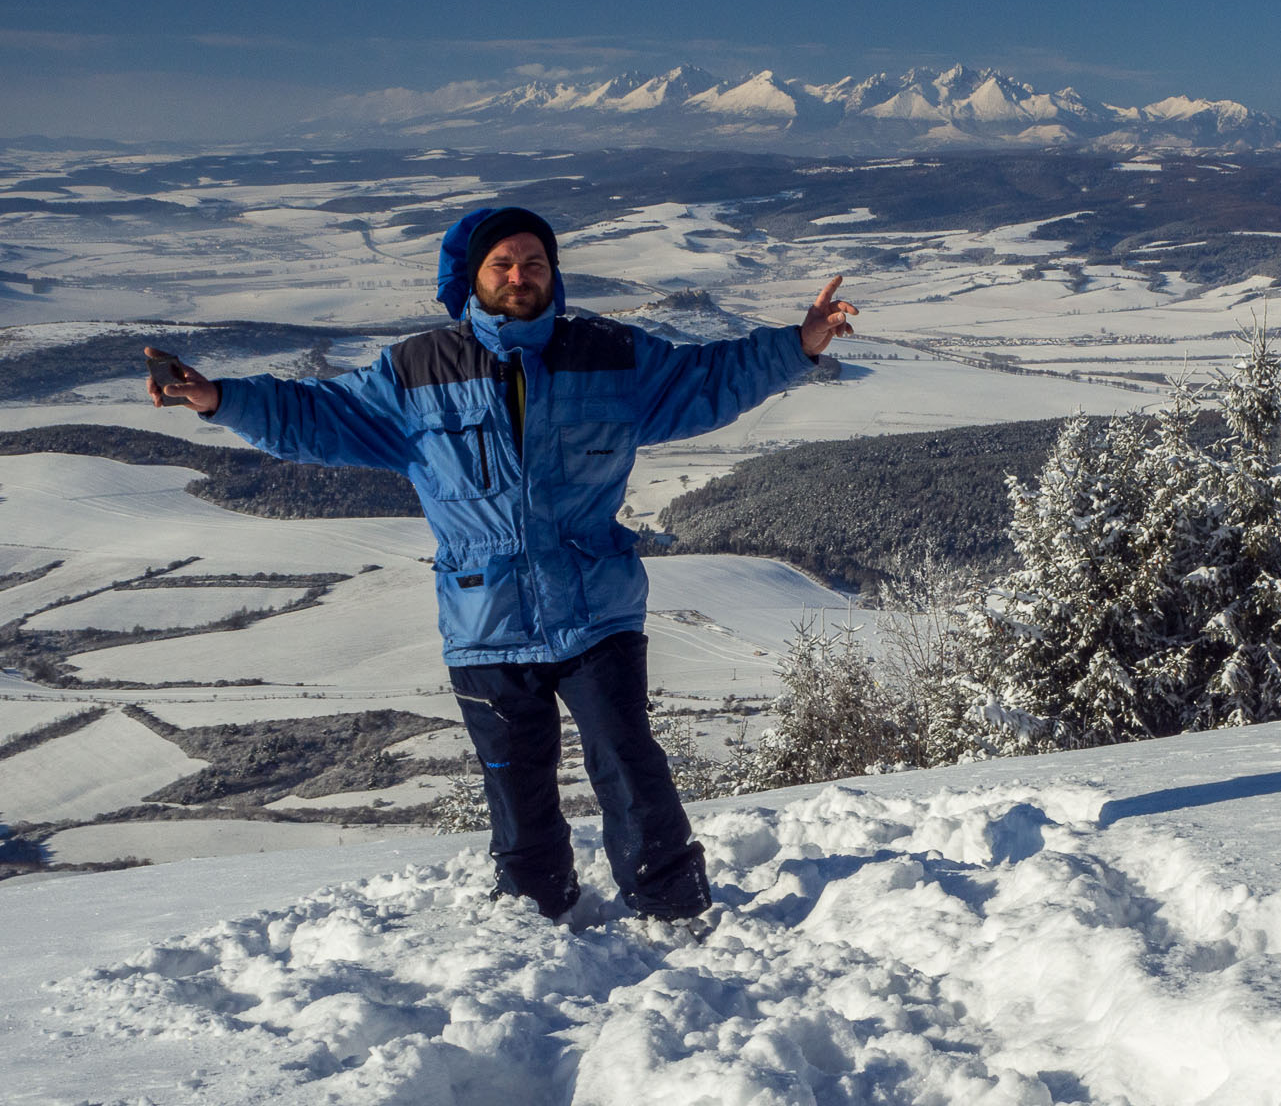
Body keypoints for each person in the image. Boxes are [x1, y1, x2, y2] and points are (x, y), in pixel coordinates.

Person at [145, 205, 857, 924]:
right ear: (471, 278)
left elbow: (711, 378)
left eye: (535, 263)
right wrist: (217, 399)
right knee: (514, 783)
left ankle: (674, 904)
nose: (520, 276)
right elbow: (315, 414)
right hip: (483, 617)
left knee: (630, 767)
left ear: (554, 275)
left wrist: (801, 342)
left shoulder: (611, 356)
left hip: (594, 606)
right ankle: (533, 912)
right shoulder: (415, 372)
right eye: (503, 265)